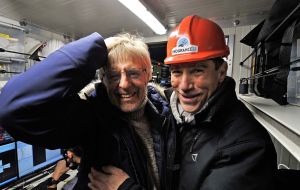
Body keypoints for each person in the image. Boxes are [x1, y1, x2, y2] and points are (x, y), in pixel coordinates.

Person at [89, 15, 278, 190]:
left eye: (197, 71)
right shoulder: (179, 115)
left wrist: (125, 188)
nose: (185, 86)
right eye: (177, 71)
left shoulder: (244, 145)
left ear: (221, 72)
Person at [0, 32, 177, 189]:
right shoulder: (90, 117)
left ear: (148, 74)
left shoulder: (167, 111)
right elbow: (11, 108)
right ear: (103, 79)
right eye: (114, 75)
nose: (123, 84)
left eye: (133, 73)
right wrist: (97, 48)